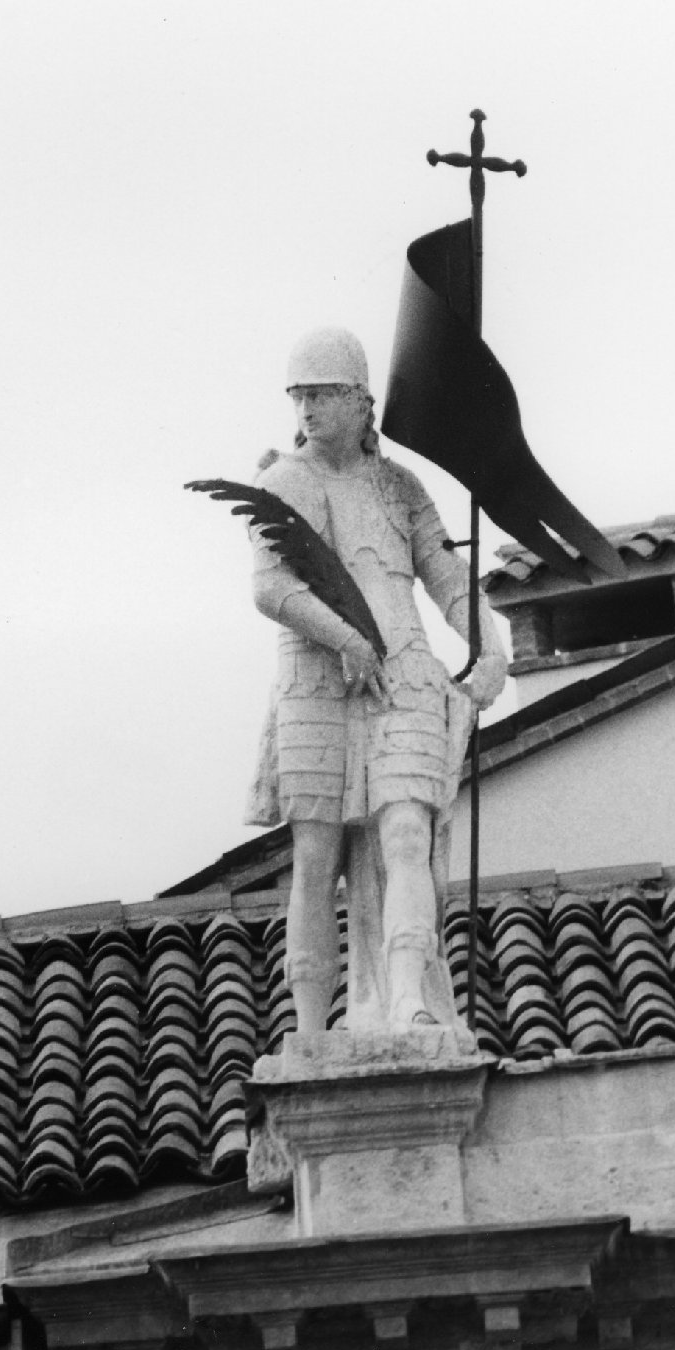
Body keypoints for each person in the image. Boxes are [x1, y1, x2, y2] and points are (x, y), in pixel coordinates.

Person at [244, 326, 507, 1036]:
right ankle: (309, 1027)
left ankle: (407, 998)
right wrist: (344, 638)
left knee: (404, 835)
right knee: (316, 853)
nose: (309, 409)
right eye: (300, 395)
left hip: (404, 673)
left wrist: (490, 640)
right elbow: (270, 588)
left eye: (325, 394)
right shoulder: (281, 483)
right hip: (316, 678)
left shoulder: (399, 487)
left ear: (362, 402)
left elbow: (447, 579)